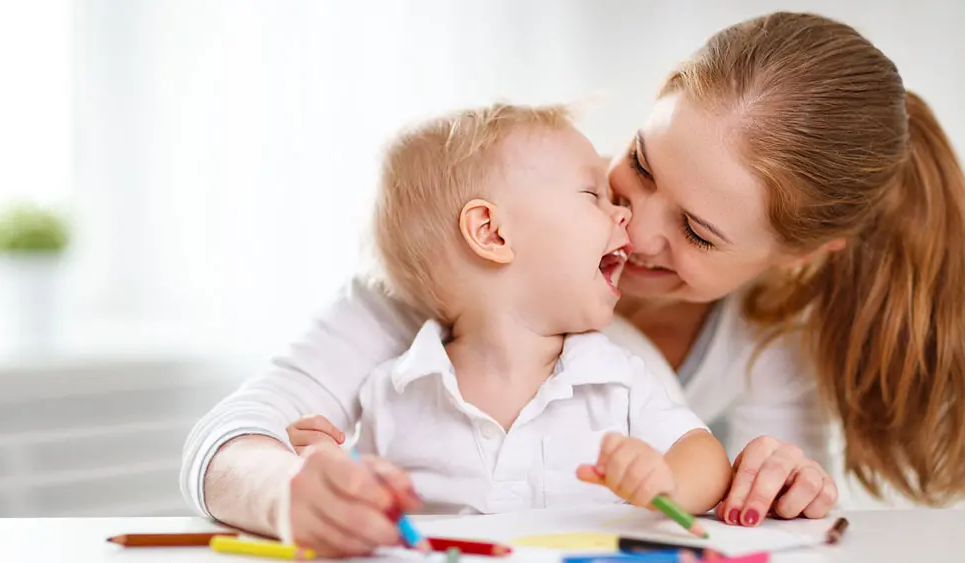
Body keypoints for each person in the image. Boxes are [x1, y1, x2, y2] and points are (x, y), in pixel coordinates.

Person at [181, 9, 965, 557]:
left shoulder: (771, 339)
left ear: (799, 256)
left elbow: (750, 522)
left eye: (696, 231)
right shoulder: (456, 271)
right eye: (643, 164)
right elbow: (228, 438)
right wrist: (291, 489)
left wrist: (778, 484)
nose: (635, 222)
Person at [284, 103, 731, 523]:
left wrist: (667, 483)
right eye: (593, 194)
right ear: (492, 233)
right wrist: (333, 472)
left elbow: (705, 456)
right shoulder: (395, 394)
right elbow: (374, 509)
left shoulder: (615, 378)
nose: (624, 216)